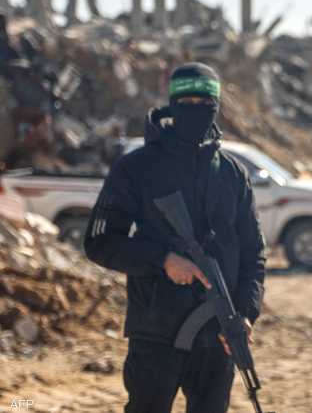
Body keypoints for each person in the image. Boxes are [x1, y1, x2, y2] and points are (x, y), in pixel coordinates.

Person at [84, 62, 266, 413]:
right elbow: (99, 242)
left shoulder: (233, 174)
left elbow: (253, 252)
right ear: (172, 105)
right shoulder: (136, 168)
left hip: (218, 333)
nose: (197, 109)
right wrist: (162, 260)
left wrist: (245, 313)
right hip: (156, 331)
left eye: (205, 102)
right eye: (187, 102)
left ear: (217, 106)